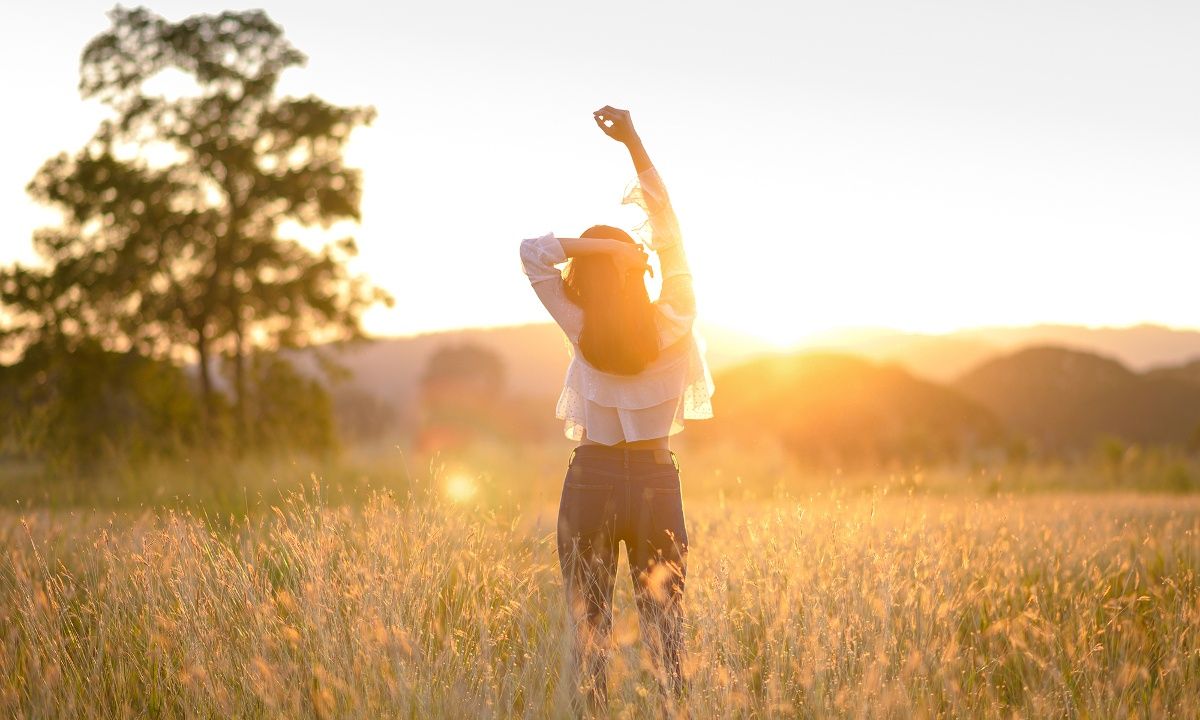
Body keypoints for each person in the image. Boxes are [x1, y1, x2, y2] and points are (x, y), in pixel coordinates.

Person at [518, 106, 715, 716]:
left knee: (590, 636)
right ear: (636, 269)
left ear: (589, 276)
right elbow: (670, 228)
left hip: (591, 480)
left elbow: (532, 253)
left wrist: (601, 251)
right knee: (667, 638)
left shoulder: (579, 322)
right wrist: (633, 141)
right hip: (656, 481)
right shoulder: (674, 315)